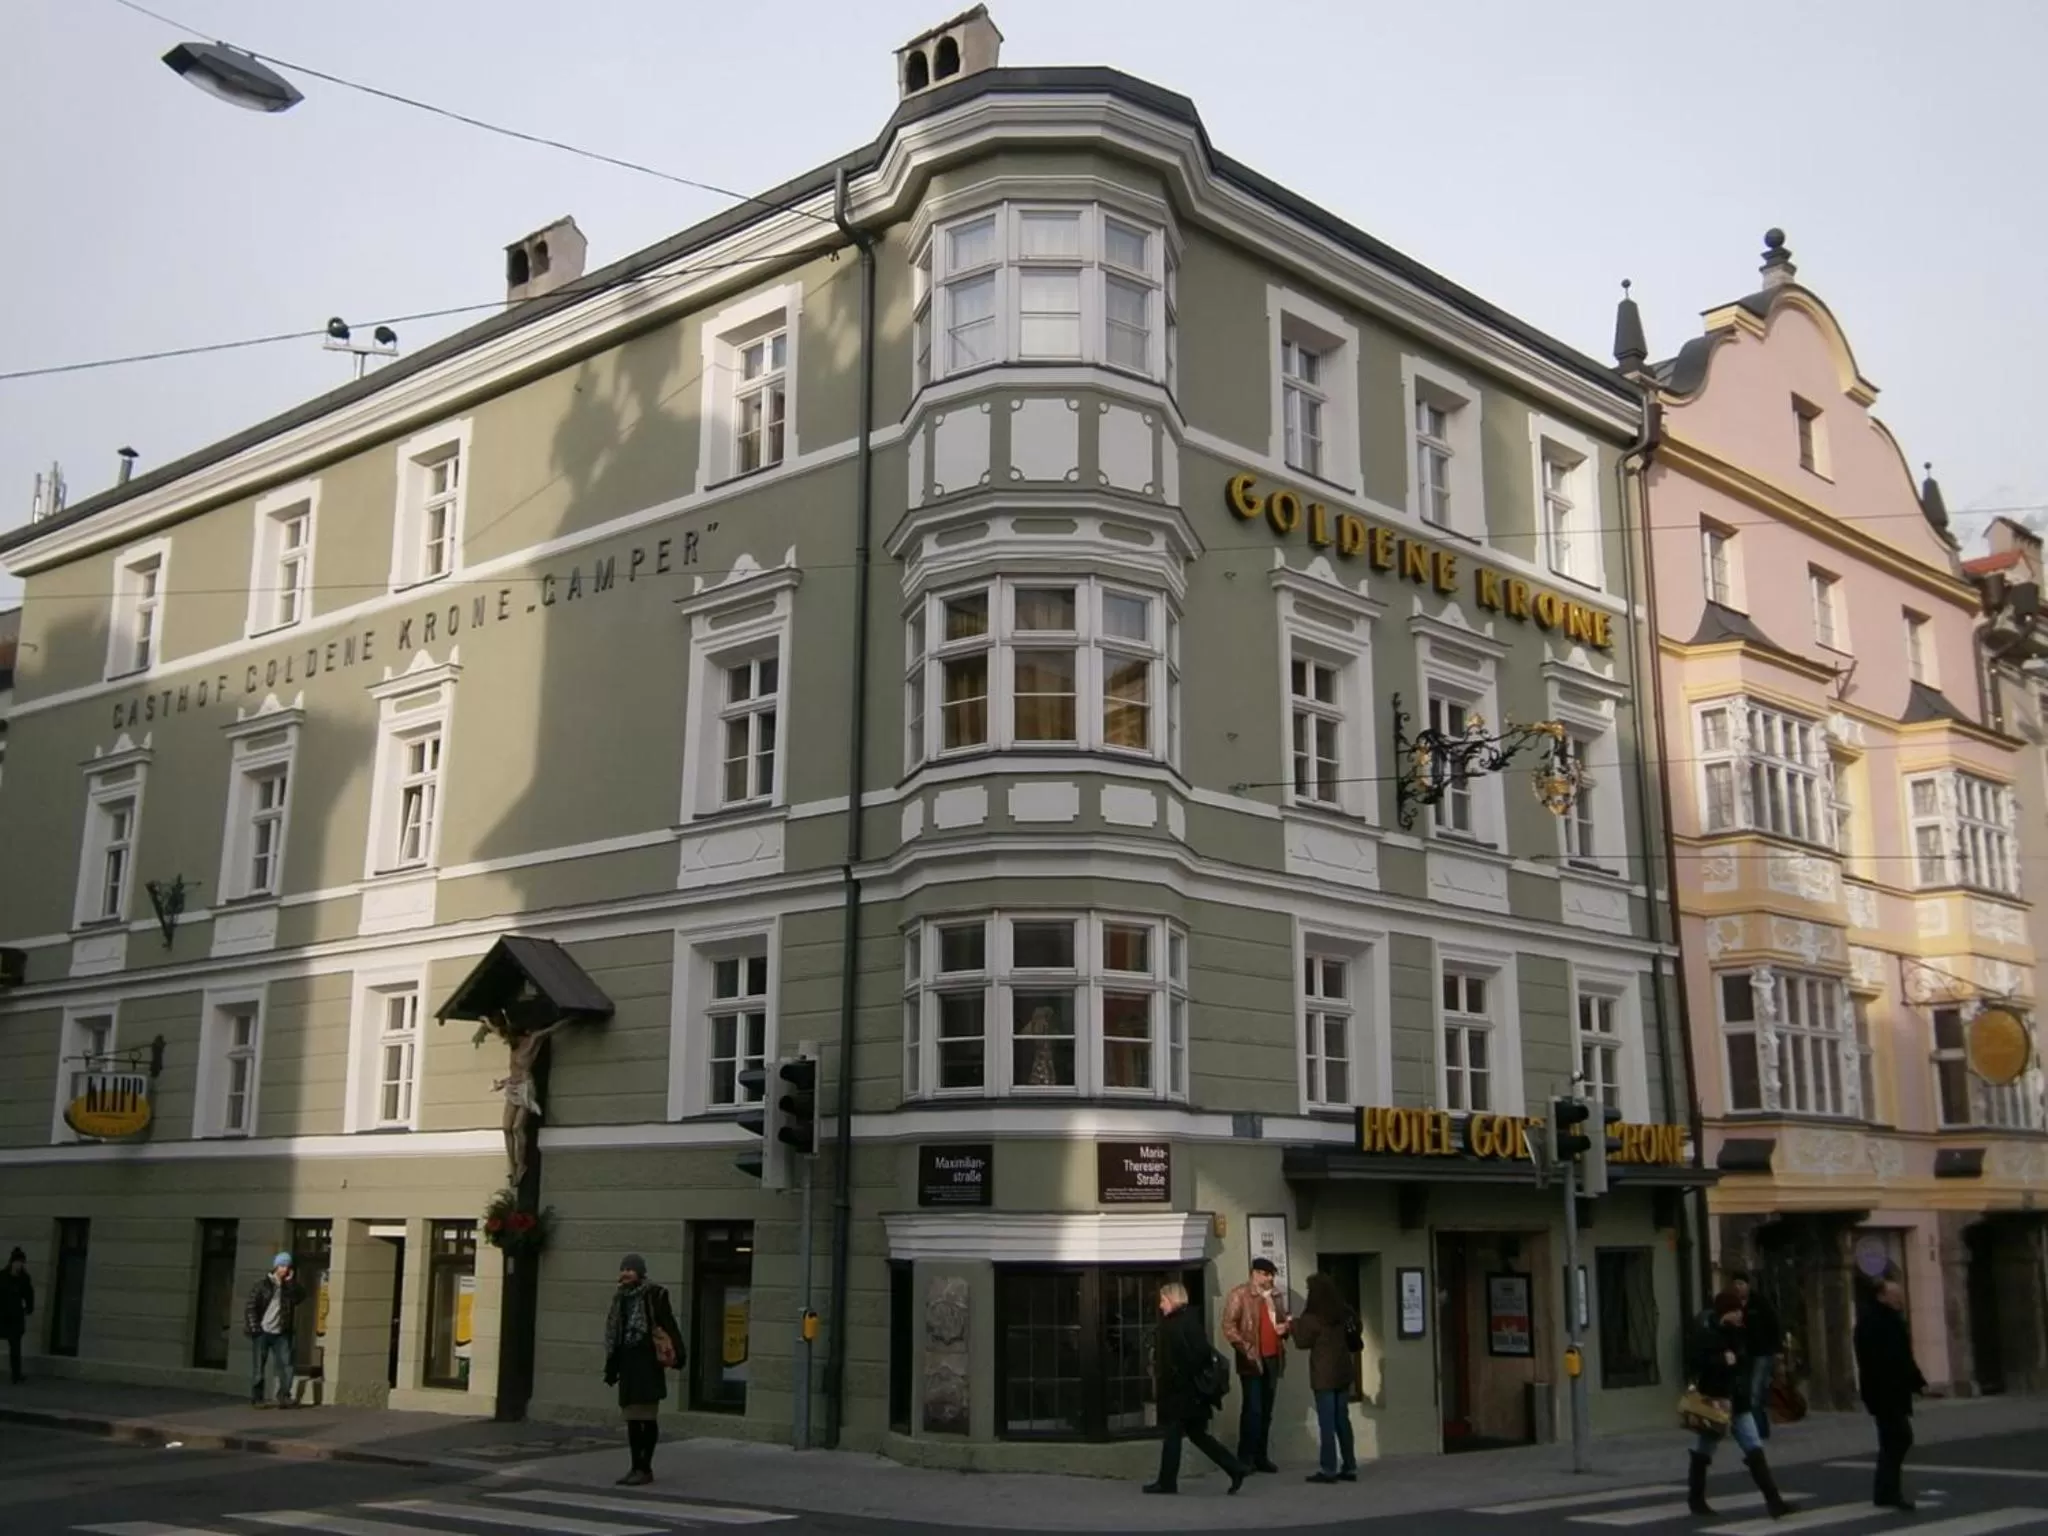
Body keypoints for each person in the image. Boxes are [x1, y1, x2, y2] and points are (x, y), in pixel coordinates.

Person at [1685, 1288, 1789, 1519]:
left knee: (1754, 1447)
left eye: (1740, 1311)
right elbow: (1694, 1362)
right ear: (1725, 1312)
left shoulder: (1740, 1334)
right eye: (1735, 1311)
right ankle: (1696, 1499)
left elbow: (1745, 1361)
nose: (1740, 1315)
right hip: (1715, 1400)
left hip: (1738, 1401)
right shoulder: (1706, 1334)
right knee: (1705, 1448)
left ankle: (1774, 1501)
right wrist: (1720, 1359)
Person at [1145, 1281, 1245, 1496]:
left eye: (1163, 1300)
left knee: (1173, 1435)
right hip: (1189, 1392)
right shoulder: (1186, 1321)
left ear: (1172, 1300)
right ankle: (1235, 1468)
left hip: (1183, 1392)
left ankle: (1166, 1482)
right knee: (1198, 1435)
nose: (1161, 1305)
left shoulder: (1179, 1323)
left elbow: (1197, 1355)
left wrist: (1179, 1376)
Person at [603, 1254, 683, 1486]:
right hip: (628, 1363)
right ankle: (635, 1466)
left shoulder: (654, 1295)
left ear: (640, 1273)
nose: (625, 1273)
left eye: (631, 1269)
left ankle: (645, 1467)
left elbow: (668, 1323)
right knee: (631, 1419)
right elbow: (614, 1334)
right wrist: (612, 1366)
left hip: (647, 1363)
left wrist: (679, 1353)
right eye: (623, 1269)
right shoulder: (620, 1299)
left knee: (646, 1417)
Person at [1854, 1279, 1926, 1511]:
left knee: (1893, 1440)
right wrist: (1913, 1381)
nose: (1900, 1298)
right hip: (1885, 1390)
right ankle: (1887, 1491)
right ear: (1881, 1296)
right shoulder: (1876, 1321)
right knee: (1899, 1438)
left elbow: (1903, 1355)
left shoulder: (1887, 1319)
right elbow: (1892, 1357)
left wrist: (1917, 1382)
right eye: (1895, 1295)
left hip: (1887, 1390)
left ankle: (1886, 1490)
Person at [1288, 1272, 1359, 1484]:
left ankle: (1328, 1468)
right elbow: (1357, 1329)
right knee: (1342, 1421)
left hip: (1323, 1376)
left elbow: (1302, 1341)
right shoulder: (1344, 1312)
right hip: (1344, 1373)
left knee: (1326, 1423)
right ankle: (1349, 1466)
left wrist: (1292, 1324)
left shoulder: (1314, 1318)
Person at [1222, 1256, 1291, 1473]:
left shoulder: (1276, 1295)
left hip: (1272, 1356)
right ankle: (1245, 1457)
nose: (1268, 1279)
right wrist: (1245, 1347)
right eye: (1265, 1274)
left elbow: (1281, 1321)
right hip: (1252, 1358)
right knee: (1253, 1409)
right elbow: (1228, 1325)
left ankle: (1261, 1456)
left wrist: (1285, 1328)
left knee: (1267, 1409)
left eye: (1271, 1275)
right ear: (1255, 1273)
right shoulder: (1240, 1294)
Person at [243, 1253, 302, 1409]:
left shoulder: (288, 1287)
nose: (285, 1270)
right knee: (259, 1368)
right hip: (263, 1332)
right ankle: (257, 1398)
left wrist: (290, 1284)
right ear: (276, 1266)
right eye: (282, 1266)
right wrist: (255, 1328)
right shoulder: (262, 1286)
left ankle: (284, 1396)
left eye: (287, 1267)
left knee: (287, 1365)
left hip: (281, 1332)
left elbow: (300, 1297)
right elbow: (251, 1307)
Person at [1730, 1272, 1781, 1442]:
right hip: (1744, 1354)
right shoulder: (1733, 1305)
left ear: (1748, 1285)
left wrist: (1777, 1350)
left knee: (1754, 1392)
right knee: (1746, 1391)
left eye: (1741, 1284)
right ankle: (1757, 1428)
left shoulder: (1759, 1303)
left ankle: (1758, 1430)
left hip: (1762, 1352)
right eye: (1735, 1284)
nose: (1738, 1287)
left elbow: (1774, 1324)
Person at [1, 1248, 33, 1385]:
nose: (19, 1265)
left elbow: (29, 1294)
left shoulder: (24, 1278)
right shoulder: (2, 1276)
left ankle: (16, 1375)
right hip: (2, 1315)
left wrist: (29, 1308)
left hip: (15, 1317)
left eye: (21, 1262)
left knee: (15, 1347)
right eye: (17, 1262)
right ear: (12, 1262)